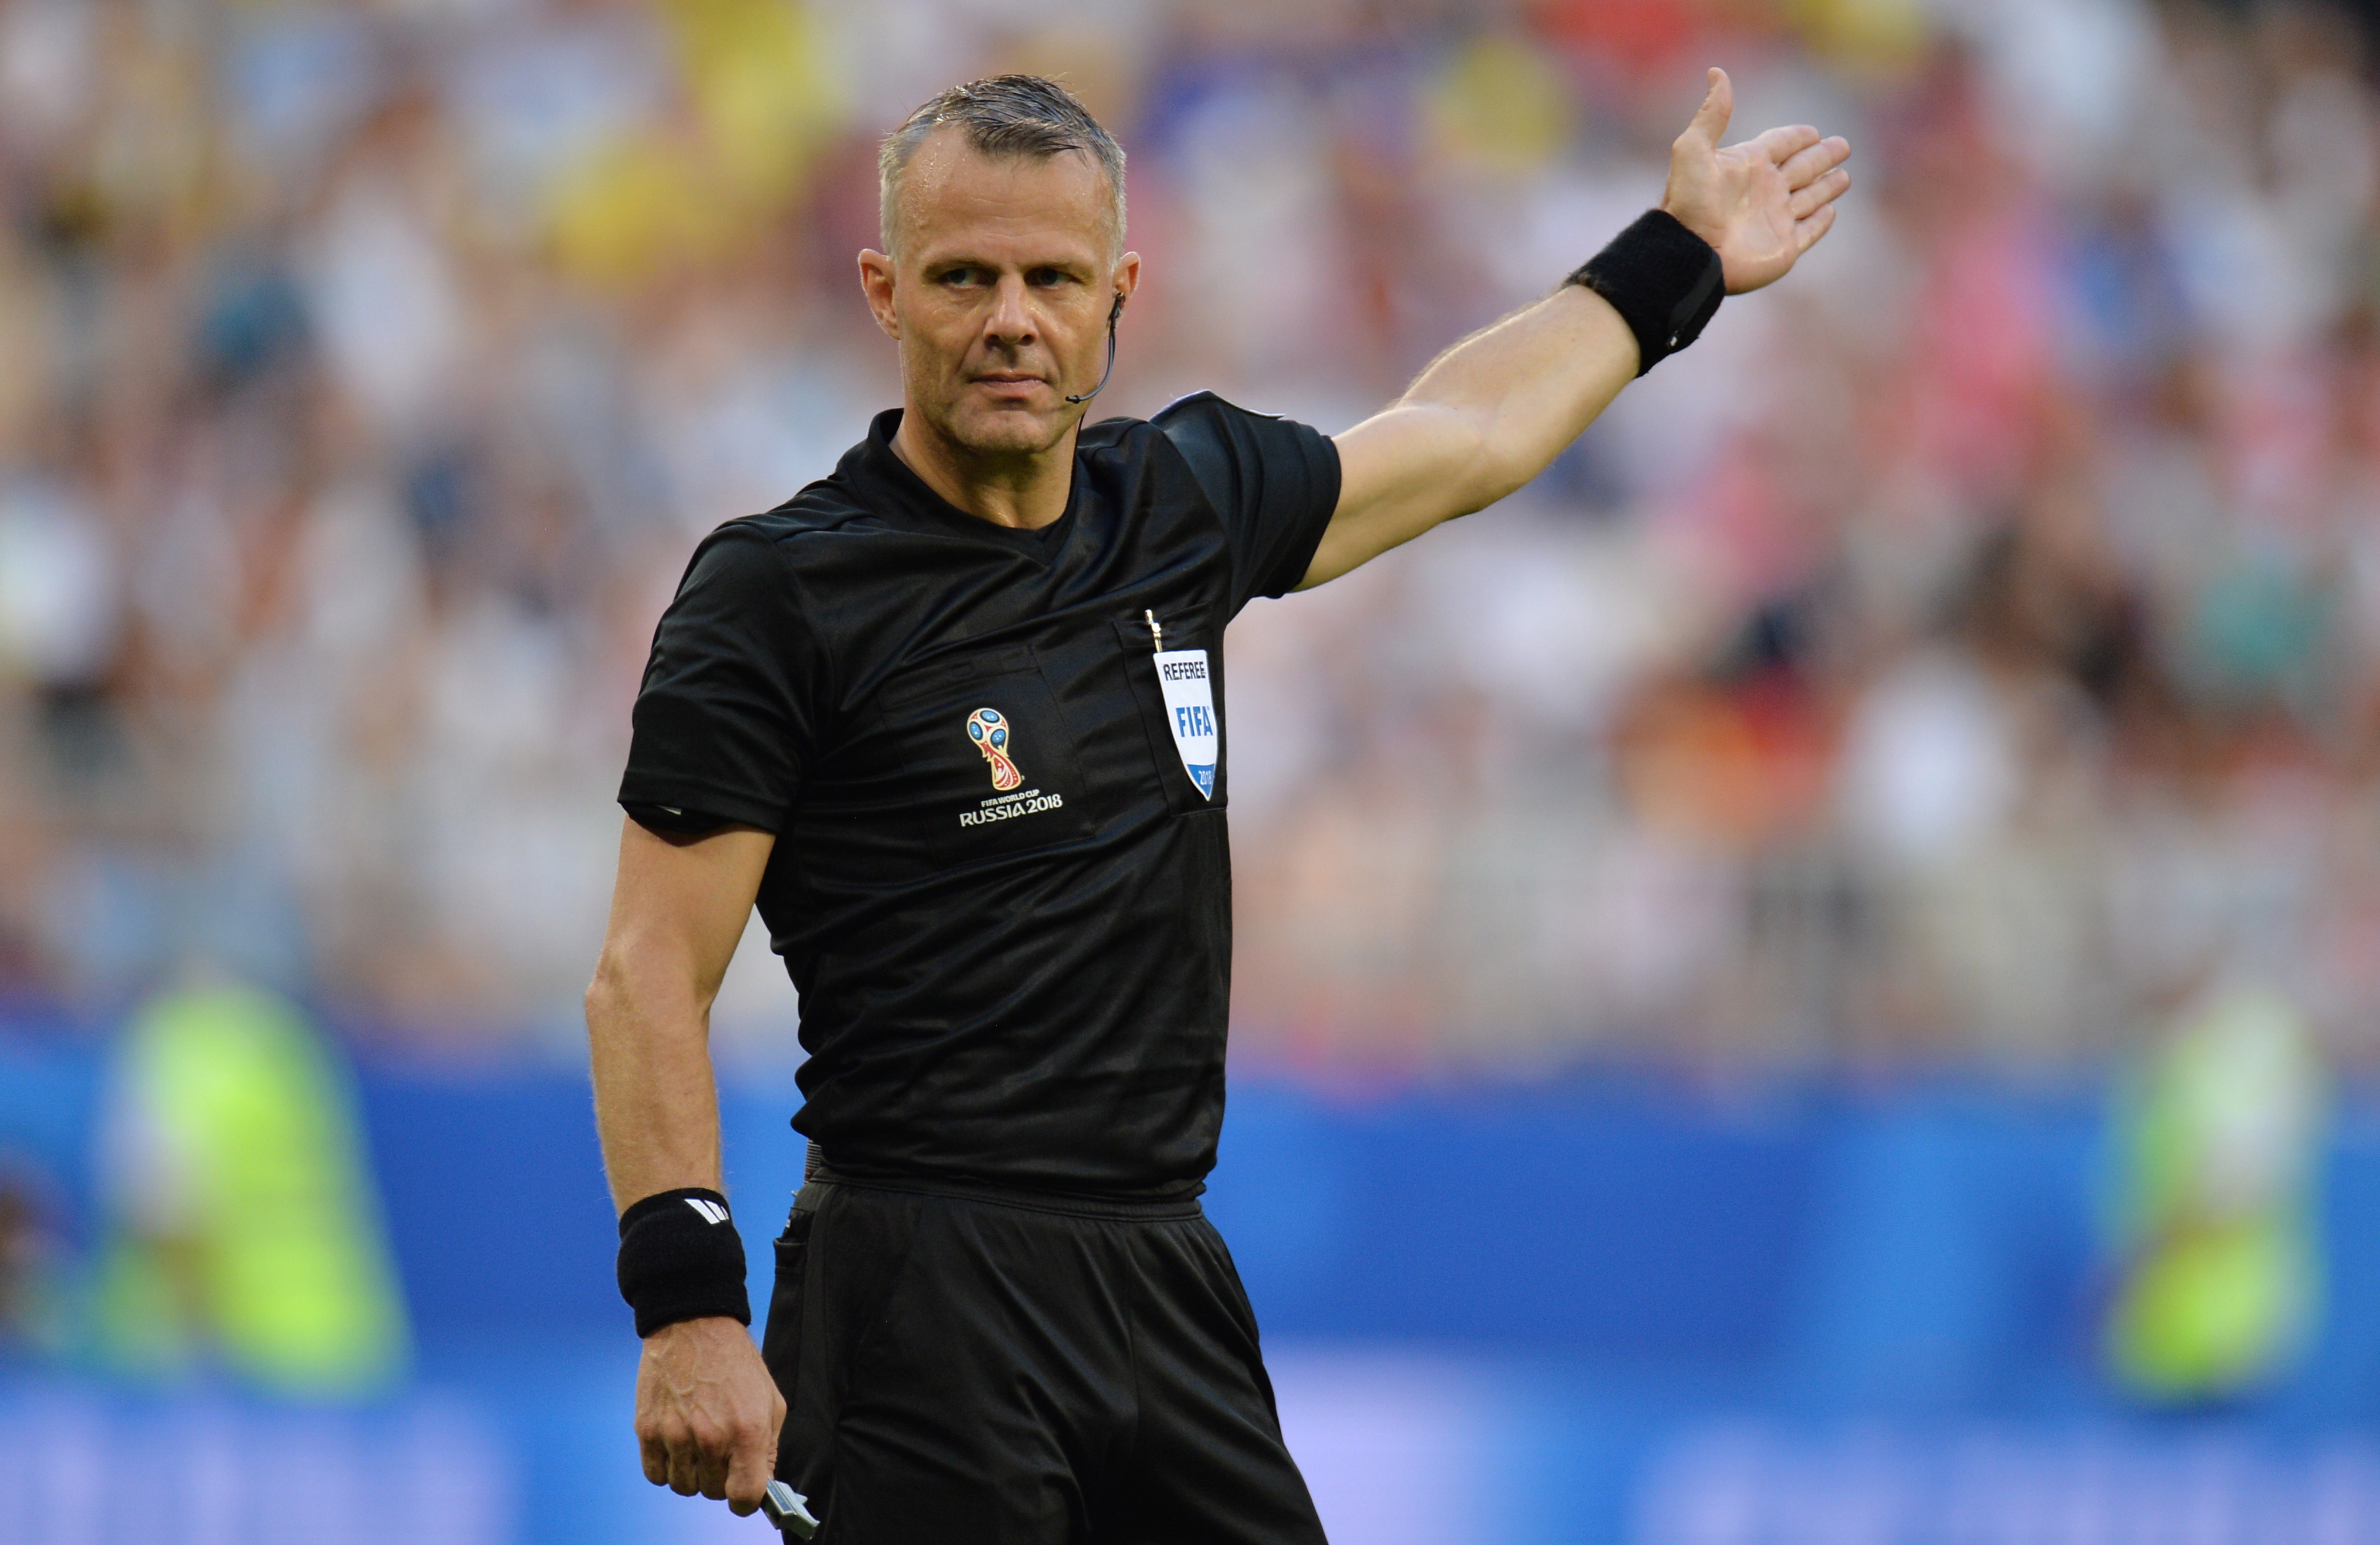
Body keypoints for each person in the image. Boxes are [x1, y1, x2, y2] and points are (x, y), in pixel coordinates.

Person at [587, 71, 1848, 1542]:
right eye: (963, 277)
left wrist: (1675, 255)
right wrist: (687, 1307)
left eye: (1054, 278)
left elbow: (1464, 433)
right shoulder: (778, 591)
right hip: (917, 1288)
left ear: (1118, 293)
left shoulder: (1177, 504)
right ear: (883, 291)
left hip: (1164, 1275)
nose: (1011, 319)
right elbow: (647, 971)